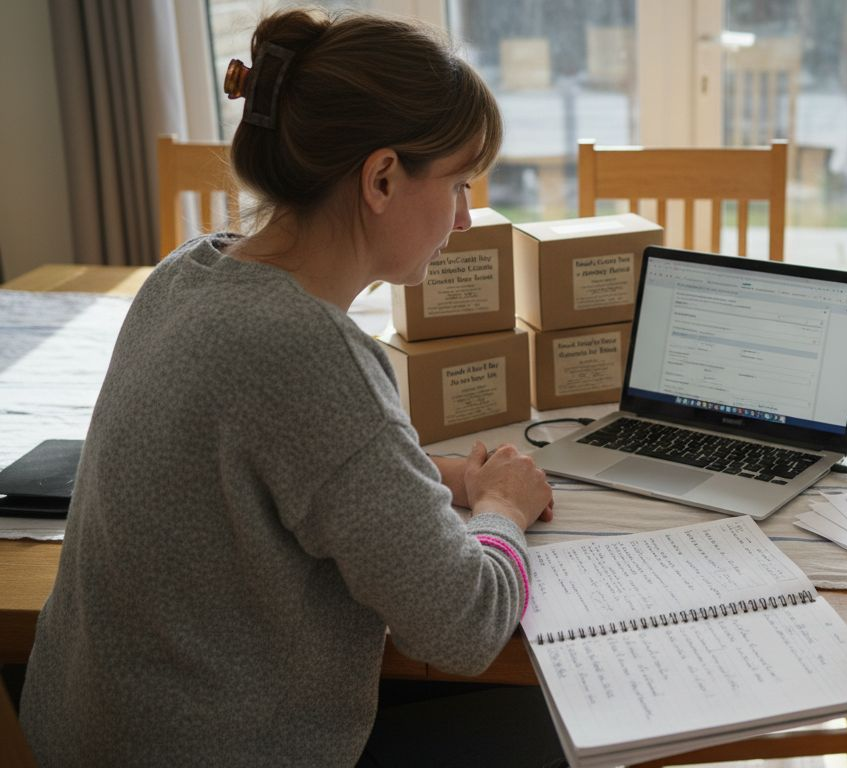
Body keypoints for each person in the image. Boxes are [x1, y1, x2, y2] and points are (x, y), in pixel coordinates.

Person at [20, 9, 564, 766]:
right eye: (459, 184)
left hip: (87, 726)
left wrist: (454, 483)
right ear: (380, 178)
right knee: (556, 727)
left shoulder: (189, 272)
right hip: (209, 749)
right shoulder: (307, 352)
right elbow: (465, 627)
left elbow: (302, 473)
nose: (467, 219)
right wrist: (505, 506)